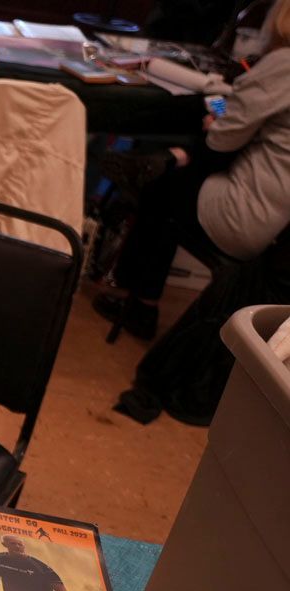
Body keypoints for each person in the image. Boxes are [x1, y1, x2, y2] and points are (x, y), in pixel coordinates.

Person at [97, 2, 290, 342]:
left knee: (161, 187)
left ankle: (138, 302)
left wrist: (216, 123)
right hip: (276, 221)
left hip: (245, 215)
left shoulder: (284, 63)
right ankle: (170, 159)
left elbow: (223, 140)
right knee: (174, 175)